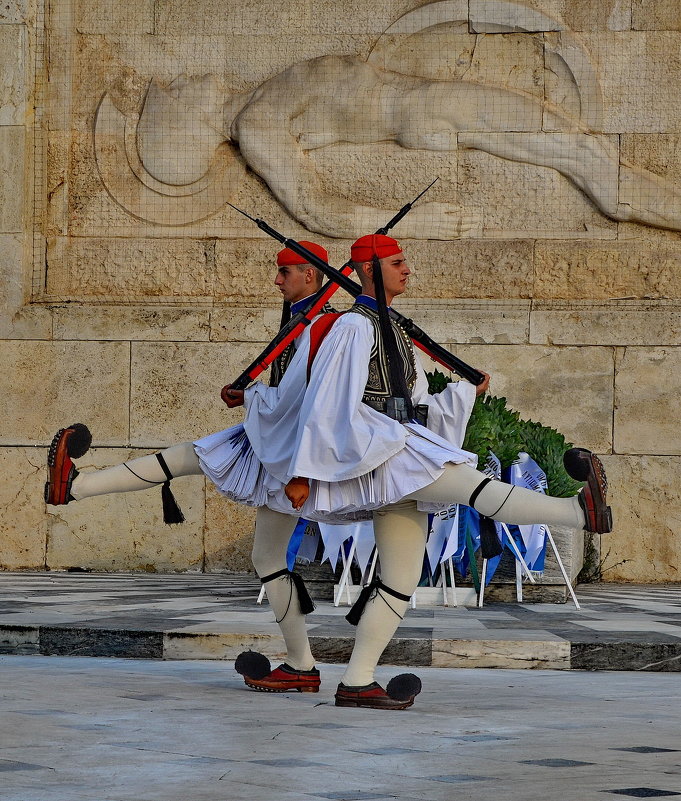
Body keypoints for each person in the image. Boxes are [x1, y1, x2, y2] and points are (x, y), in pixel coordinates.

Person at [235, 233, 611, 709]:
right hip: (376, 452)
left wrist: (460, 395)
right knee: (471, 486)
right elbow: (325, 402)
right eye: (397, 262)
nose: (407, 269)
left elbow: (412, 399)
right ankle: (578, 512)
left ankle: (357, 680)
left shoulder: (392, 325)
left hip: (401, 442)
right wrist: (303, 471)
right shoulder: (353, 327)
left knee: (400, 578)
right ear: (370, 270)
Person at [44, 241, 336, 695]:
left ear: (310, 276)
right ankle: (301, 665)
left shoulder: (323, 326)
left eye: (285, 272)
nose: (276, 280)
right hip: (278, 441)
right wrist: (254, 394)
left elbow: (312, 400)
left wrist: (253, 398)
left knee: (191, 459)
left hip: (292, 451)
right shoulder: (303, 319)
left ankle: (74, 487)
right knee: (264, 553)